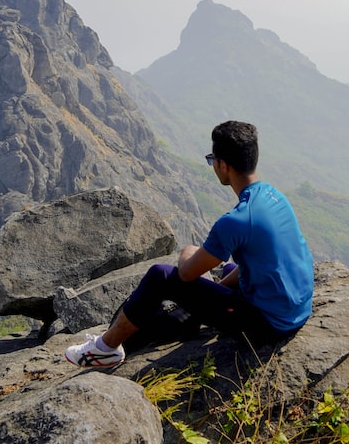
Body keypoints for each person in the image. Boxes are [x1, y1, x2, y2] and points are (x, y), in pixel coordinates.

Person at [65, 120, 314, 367]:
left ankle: (105, 349)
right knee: (227, 271)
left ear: (223, 165)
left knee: (160, 275)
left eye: (212, 159)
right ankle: (189, 314)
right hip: (295, 310)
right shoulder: (275, 197)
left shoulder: (237, 220)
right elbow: (261, 261)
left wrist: (188, 252)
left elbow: (185, 274)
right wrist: (214, 290)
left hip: (268, 324)